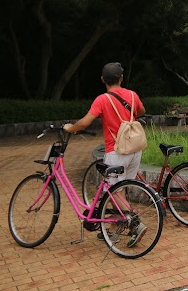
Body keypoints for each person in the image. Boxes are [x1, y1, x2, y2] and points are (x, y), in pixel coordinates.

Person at [64, 62, 148, 246]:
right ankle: (113, 230)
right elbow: (141, 111)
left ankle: (136, 224)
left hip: (116, 151)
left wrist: (70, 128)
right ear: (121, 78)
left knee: (113, 190)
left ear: (103, 80)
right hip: (135, 150)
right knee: (120, 189)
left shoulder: (102, 99)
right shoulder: (132, 95)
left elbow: (85, 123)